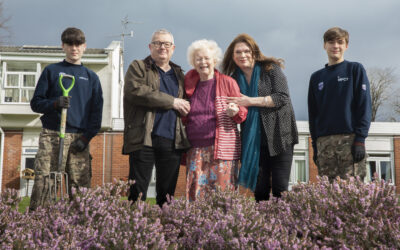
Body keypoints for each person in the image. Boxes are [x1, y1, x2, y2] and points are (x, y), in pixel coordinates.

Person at [29, 27, 103, 210]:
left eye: (78, 44)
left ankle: (80, 229)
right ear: (63, 46)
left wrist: (86, 138)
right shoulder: (52, 72)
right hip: (52, 136)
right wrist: (54, 103)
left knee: (80, 187)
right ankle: (38, 224)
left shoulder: (91, 78)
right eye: (69, 44)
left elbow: (96, 113)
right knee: (45, 182)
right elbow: (36, 103)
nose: (74, 48)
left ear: (84, 46)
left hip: (79, 138)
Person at [222, 34, 298, 201]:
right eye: (238, 52)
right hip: (254, 141)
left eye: (246, 51)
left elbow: (281, 97)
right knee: (260, 190)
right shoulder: (233, 79)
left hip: (280, 136)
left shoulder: (271, 69)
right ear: (232, 56)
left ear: (254, 52)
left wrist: (250, 101)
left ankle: (283, 225)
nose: (243, 55)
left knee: (280, 189)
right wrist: (234, 109)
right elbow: (238, 111)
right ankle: (263, 226)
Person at [123, 29, 190, 207]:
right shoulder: (138, 66)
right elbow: (136, 92)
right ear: (150, 46)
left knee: (167, 196)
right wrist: (172, 101)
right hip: (144, 139)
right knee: (137, 193)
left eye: (166, 44)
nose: (162, 47)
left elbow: (187, 101)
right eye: (158, 43)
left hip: (171, 140)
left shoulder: (179, 74)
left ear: (173, 48)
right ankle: (134, 230)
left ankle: (164, 231)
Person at [184, 39, 247, 201]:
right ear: (193, 62)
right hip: (195, 149)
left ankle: (225, 227)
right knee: (196, 195)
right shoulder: (189, 84)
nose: (203, 62)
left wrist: (234, 111)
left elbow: (242, 113)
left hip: (222, 150)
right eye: (198, 59)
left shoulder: (227, 82)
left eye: (206, 58)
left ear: (214, 60)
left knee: (222, 195)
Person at [308, 27, 372, 182]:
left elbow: (364, 105)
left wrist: (360, 140)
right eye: (331, 42)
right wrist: (316, 147)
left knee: (352, 195)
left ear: (346, 46)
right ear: (324, 45)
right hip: (324, 144)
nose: (335, 46)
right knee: (328, 197)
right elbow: (313, 114)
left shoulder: (355, 69)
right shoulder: (316, 78)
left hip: (349, 141)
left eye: (340, 42)